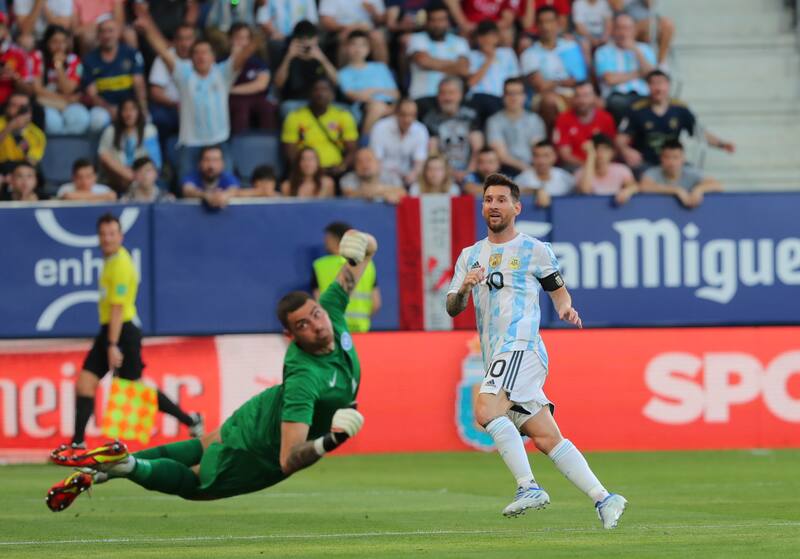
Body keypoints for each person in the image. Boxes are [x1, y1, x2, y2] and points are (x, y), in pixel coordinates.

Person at [46, 228, 377, 512]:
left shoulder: (331, 309)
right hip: (258, 446)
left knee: (199, 446)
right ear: (290, 336)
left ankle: (99, 469)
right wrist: (331, 440)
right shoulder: (305, 377)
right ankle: (127, 464)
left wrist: (357, 239)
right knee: (195, 483)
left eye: (315, 314)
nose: (317, 325)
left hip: (260, 411)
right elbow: (288, 458)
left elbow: (369, 250)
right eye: (303, 324)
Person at [446, 172, 627, 528]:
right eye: (488, 200)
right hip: (497, 353)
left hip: (522, 345)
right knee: (546, 436)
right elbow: (452, 307)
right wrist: (465, 289)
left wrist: (564, 308)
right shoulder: (470, 256)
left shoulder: (535, 250)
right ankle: (604, 498)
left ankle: (528, 486)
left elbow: (557, 289)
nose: (493, 206)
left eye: (500, 200)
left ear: (516, 207)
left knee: (485, 408)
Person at [46, 213, 201, 460]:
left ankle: (190, 420)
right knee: (85, 382)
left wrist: (112, 344)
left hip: (123, 332)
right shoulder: (110, 260)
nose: (107, 239)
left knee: (135, 390)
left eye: (112, 234)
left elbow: (118, 309)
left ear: (121, 236)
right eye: (103, 234)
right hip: (110, 330)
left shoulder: (120, 265)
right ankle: (76, 444)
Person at [134, 11, 256, 182]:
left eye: (205, 52)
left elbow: (243, 56)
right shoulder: (184, 74)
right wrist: (147, 29)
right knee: (186, 189)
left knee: (227, 189)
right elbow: (162, 50)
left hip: (218, 142)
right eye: (197, 53)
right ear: (191, 59)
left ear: (213, 57)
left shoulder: (222, 73)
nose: (201, 56)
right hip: (190, 143)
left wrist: (259, 35)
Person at [616, 70, 735, 170]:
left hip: (673, 163)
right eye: (653, 83)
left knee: (693, 174)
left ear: (668, 85)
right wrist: (626, 150)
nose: (658, 88)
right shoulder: (637, 110)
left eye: (661, 83)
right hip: (647, 163)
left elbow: (699, 133)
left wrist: (722, 144)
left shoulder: (680, 110)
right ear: (648, 86)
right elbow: (621, 139)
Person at [520, 6, 588, 130]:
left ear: (558, 23)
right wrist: (562, 82)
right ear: (537, 26)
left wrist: (554, 82)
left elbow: (580, 78)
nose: (546, 27)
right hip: (545, 96)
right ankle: (554, 141)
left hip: (575, 93)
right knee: (549, 101)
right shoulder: (529, 54)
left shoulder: (571, 46)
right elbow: (541, 86)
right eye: (541, 22)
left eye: (550, 21)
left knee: (596, 102)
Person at [81, 16, 147, 132]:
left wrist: (142, 108)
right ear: (98, 36)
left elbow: (139, 84)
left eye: (110, 31)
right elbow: (93, 95)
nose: (107, 35)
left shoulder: (131, 53)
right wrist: (110, 109)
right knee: (97, 120)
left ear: (118, 33)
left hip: (130, 106)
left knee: (146, 119)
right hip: (104, 107)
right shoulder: (90, 59)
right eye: (103, 31)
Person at [281, 78, 358, 177]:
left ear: (332, 95)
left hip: (335, 171)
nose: (320, 93)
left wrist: (342, 167)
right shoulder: (294, 117)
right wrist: (304, 168)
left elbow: (352, 149)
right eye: (316, 89)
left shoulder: (343, 116)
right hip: (305, 171)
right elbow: (290, 151)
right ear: (309, 93)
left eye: (325, 89)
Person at [312, 222, 381, 333]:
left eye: (327, 238)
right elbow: (376, 303)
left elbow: (317, 302)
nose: (325, 242)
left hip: (334, 330)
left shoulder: (320, 265)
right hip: (362, 330)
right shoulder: (368, 265)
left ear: (334, 239)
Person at [406, 1, 469, 118]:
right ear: (427, 22)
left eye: (441, 20)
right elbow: (423, 61)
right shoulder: (417, 39)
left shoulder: (460, 42)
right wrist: (453, 64)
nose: (437, 24)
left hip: (452, 99)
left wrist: (432, 63)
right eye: (433, 20)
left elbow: (463, 69)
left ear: (448, 22)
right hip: (423, 96)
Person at [593, 13, 656, 121]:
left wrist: (636, 51)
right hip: (616, 97)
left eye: (627, 28)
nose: (623, 32)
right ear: (613, 30)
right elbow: (610, 79)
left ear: (634, 31)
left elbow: (652, 76)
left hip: (643, 95)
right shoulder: (603, 51)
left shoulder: (645, 49)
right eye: (619, 28)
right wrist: (639, 73)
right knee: (620, 104)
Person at [30, 24, 90, 135]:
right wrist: (63, 98)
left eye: (63, 42)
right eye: (55, 41)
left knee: (81, 118)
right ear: (47, 43)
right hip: (47, 101)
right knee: (53, 123)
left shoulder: (74, 60)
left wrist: (58, 65)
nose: (59, 46)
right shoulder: (37, 56)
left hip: (66, 102)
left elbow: (68, 89)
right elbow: (37, 89)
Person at [423, 77, 484, 184]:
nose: (447, 97)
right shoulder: (430, 119)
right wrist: (449, 172)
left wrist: (468, 172)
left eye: (451, 93)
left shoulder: (470, 116)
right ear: (438, 96)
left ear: (460, 95)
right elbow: (433, 152)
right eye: (443, 93)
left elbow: (477, 149)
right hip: (441, 173)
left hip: (470, 170)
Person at [338, 30, 399, 134]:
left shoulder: (381, 67)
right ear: (347, 48)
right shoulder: (343, 73)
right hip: (363, 108)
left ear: (369, 49)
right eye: (354, 44)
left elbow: (396, 94)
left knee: (405, 109)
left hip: (389, 106)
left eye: (362, 45)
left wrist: (371, 91)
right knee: (377, 107)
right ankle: (364, 141)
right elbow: (354, 96)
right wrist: (381, 91)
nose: (358, 49)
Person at [273, 20, 338, 115]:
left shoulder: (324, 53)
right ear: (294, 40)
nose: (305, 42)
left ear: (316, 39)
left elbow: (337, 81)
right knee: (287, 108)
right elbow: (278, 84)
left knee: (345, 111)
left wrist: (322, 59)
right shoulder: (286, 54)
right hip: (296, 102)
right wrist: (288, 57)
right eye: (301, 39)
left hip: (322, 102)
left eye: (309, 38)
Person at [485, 77, 546, 176]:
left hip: (533, 168)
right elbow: (501, 156)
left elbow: (538, 150)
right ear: (503, 96)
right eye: (509, 93)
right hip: (505, 171)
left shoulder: (535, 120)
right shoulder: (494, 121)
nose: (513, 98)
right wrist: (527, 170)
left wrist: (532, 170)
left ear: (524, 96)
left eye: (517, 93)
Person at [97, 98, 161, 192]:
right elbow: (103, 155)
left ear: (139, 112)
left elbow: (155, 161)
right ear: (120, 112)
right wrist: (126, 174)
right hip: (117, 176)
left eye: (133, 109)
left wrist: (138, 175)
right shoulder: (111, 131)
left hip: (142, 176)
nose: (129, 114)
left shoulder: (149, 131)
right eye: (125, 109)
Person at [466, 19, 520, 126]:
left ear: (497, 37)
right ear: (478, 38)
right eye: (483, 36)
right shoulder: (471, 56)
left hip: (500, 97)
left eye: (490, 35)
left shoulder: (507, 53)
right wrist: (489, 59)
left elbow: (514, 81)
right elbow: (471, 83)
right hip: (477, 97)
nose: (487, 40)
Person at [148, 24, 195, 143]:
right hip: (170, 107)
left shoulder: (202, 57)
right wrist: (177, 104)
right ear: (174, 41)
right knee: (159, 118)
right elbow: (155, 92)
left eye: (188, 39)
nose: (184, 43)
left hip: (195, 107)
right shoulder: (165, 57)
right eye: (181, 39)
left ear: (195, 40)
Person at [640, 139, 721, 208]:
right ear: (661, 158)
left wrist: (699, 190)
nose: (671, 162)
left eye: (675, 157)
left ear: (683, 159)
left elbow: (717, 185)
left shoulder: (692, 172)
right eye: (667, 157)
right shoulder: (653, 172)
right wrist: (677, 190)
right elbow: (644, 187)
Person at [553, 81, 616, 169]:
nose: (582, 101)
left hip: (602, 167)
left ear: (594, 97)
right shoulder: (563, 119)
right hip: (576, 167)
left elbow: (611, 150)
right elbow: (565, 155)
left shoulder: (606, 118)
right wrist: (589, 167)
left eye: (586, 95)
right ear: (573, 98)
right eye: (578, 96)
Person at [369, 98, 429, 188]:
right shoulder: (380, 127)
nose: (407, 119)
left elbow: (419, 162)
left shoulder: (421, 130)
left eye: (412, 115)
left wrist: (412, 176)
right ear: (396, 113)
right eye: (403, 115)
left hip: (408, 177)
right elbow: (376, 160)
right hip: (382, 175)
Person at [228, 23, 275, 134]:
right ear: (230, 40)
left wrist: (231, 89)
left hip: (257, 98)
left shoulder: (258, 62)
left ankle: (267, 143)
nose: (242, 42)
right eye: (238, 38)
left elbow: (260, 85)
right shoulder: (222, 61)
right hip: (233, 100)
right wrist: (234, 58)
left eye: (245, 38)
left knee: (267, 108)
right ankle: (239, 143)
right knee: (241, 108)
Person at [319, 0, 388, 64]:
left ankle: (383, 73)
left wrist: (373, 12)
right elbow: (326, 21)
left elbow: (381, 20)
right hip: (343, 29)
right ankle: (345, 74)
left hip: (368, 29)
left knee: (377, 37)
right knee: (343, 36)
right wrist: (348, 27)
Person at [575, 134, 638, 205]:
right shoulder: (581, 172)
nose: (600, 154)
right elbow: (585, 191)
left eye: (605, 149)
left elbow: (634, 186)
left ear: (612, 152)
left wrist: (627, 191)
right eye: (596, 149)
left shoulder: (621, 169)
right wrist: (591, 155)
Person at [608, 0, 674, 66]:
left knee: (667, 25)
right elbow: (618, 7)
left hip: (648, 25)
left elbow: (650, 4)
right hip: (627, 23)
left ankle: (660, 63)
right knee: (642, 28)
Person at [515, 140, 575, 208]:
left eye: (546, 156)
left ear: (554, 157)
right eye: (536, 156)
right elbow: (512, 191)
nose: (541, 161)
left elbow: (582, 191)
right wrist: (536, 191)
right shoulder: (524, 177)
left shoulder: (563, 176)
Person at [340, 147, 406, 204]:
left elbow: (402, 192)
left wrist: (373, 192)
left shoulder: (391, 176)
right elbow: (349, 194)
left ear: (378, 163)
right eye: (360, 162)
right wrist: (384, 192)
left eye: (368, 160)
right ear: (355, 166)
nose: (364, 165)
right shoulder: (348, 178)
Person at [0, 92, 46, 173]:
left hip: (21, 171)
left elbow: (31, 162)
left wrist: (17, 134)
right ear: (7, 108)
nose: (18, 110)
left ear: (29, 110)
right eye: (14, 105)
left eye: (22, 107)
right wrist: (9, 127)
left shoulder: (37, 134)